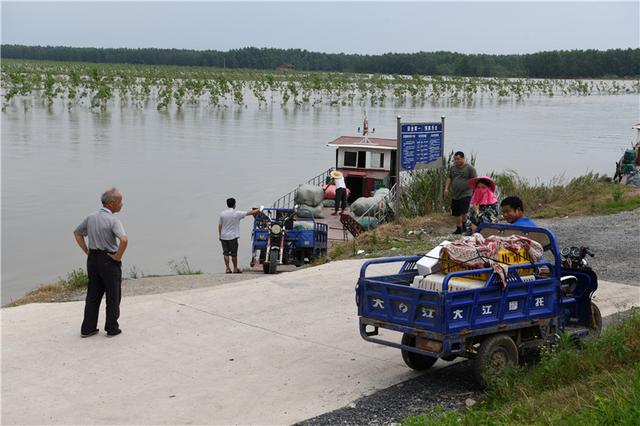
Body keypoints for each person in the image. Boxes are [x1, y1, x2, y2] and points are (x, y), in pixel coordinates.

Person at [74, 188, 128, 338]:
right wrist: (117, 256)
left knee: (93, 294)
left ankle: (88, 328)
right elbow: (124, 240)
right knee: (113, 294)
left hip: (93, 260)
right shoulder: (113, 220)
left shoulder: (91, 217)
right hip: (108, 260)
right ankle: (111, 327)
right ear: (111, 204)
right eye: (120, 201)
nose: (122, 204)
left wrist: (87, 251)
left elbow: (77, 233)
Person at [219, 198, 259, 273]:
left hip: (223, 236)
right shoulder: (236, 213)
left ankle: (227, 269)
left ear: (227, 204)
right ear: (234, 204)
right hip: (232, 237)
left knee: (225, 253)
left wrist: (220, 236)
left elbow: (220, 225)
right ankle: (235, 269)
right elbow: (249, 213)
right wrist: (258, 210)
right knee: (234, 254)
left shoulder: (222, 214)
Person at [444, 151, 477, 234]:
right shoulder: (453, 168)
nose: (456, 161)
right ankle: (458, 228)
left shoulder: (469, 168)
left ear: (463, 158)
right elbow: (449, 177)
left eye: (458, 159)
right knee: (456, 212)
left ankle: (465, 226)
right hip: (455, 194)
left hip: (466, 193)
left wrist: (475, 193)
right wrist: (446, 188)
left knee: (464, 212)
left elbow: (475, 180)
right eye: (455, 159)